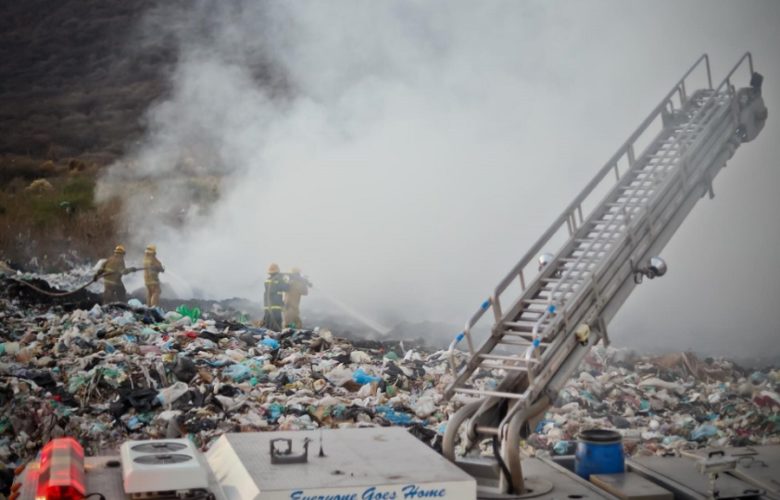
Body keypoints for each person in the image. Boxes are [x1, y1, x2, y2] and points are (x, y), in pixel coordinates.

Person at [263, 263, 288, 331]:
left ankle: (268, 335)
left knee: (268, 323)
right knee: (277, 323)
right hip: (275, 305)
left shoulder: (267, 280)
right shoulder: (278, 280)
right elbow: (286, 288)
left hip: (267, 305)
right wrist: (285, 280)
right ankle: (276, 335)